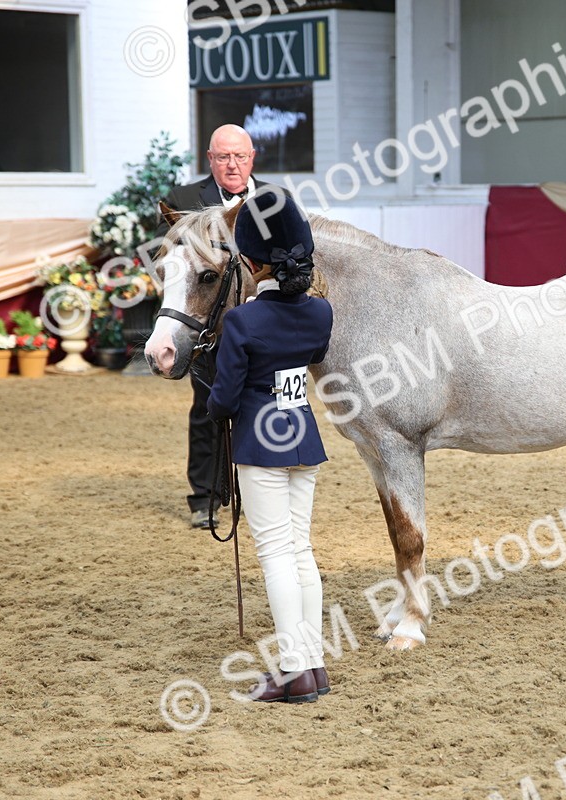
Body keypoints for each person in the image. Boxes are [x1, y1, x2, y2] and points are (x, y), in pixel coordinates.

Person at [206, 189, 333, 703]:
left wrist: (215, 398)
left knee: (276, 553)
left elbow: (225, 398)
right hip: (303, 435)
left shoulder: (242, 321)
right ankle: (314, 663)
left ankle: (292, 670)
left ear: (254, 264)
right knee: (300, 548)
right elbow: (311, 355)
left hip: (260, 442)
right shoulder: (320, 313)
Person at [162, 124, 275, 529]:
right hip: (208, 324)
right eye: (223, 157)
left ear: (252, 159)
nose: (232, 165)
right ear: (210, 159)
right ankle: (205, 497)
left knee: (260, 405)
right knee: (208, 407)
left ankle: (254, 491)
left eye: (240, 157)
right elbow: (174, 267)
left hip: (262, 323)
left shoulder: (274, 202)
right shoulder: (185, 200)